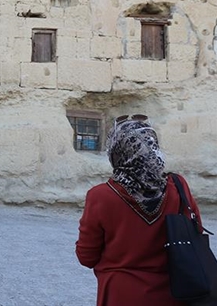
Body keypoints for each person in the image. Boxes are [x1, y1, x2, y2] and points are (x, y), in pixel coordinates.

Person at [76, 115, 206, 306]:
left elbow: (86, 256)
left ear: (117, 151)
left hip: (120, 295)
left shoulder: (101, 196)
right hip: (173, 293)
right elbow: (197, 232)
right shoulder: (178, 187)